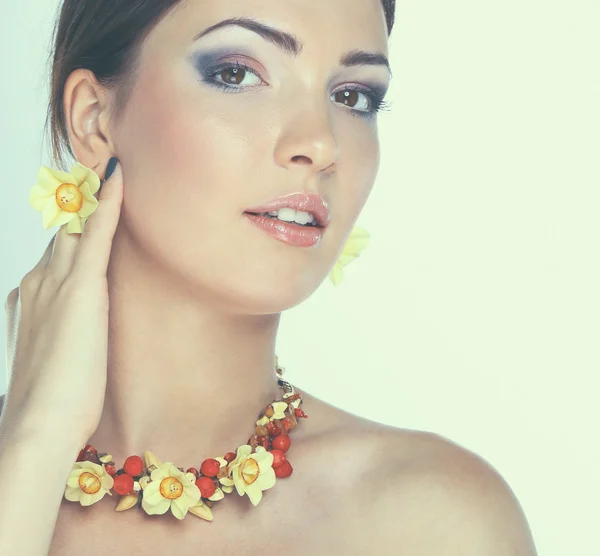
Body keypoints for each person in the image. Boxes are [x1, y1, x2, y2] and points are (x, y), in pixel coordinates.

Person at [0, 0, 538, 554]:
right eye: (237, 73)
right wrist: (35, 443)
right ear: (94, 116)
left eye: (353, 96)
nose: (322, 144)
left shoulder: (434, 521)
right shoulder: (17, 460)